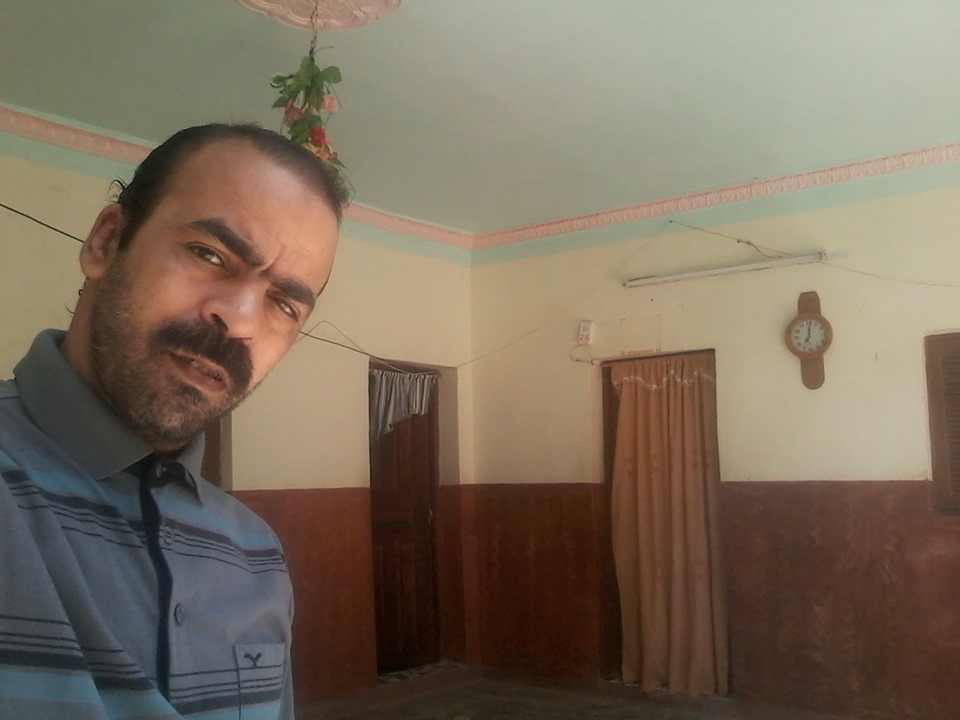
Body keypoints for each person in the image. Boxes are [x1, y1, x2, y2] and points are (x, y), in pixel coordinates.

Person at [0, 123, 348, 719]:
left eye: (283, 303)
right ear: (107, 242)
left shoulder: (256, 553)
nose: (240, 320)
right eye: (209, 254)